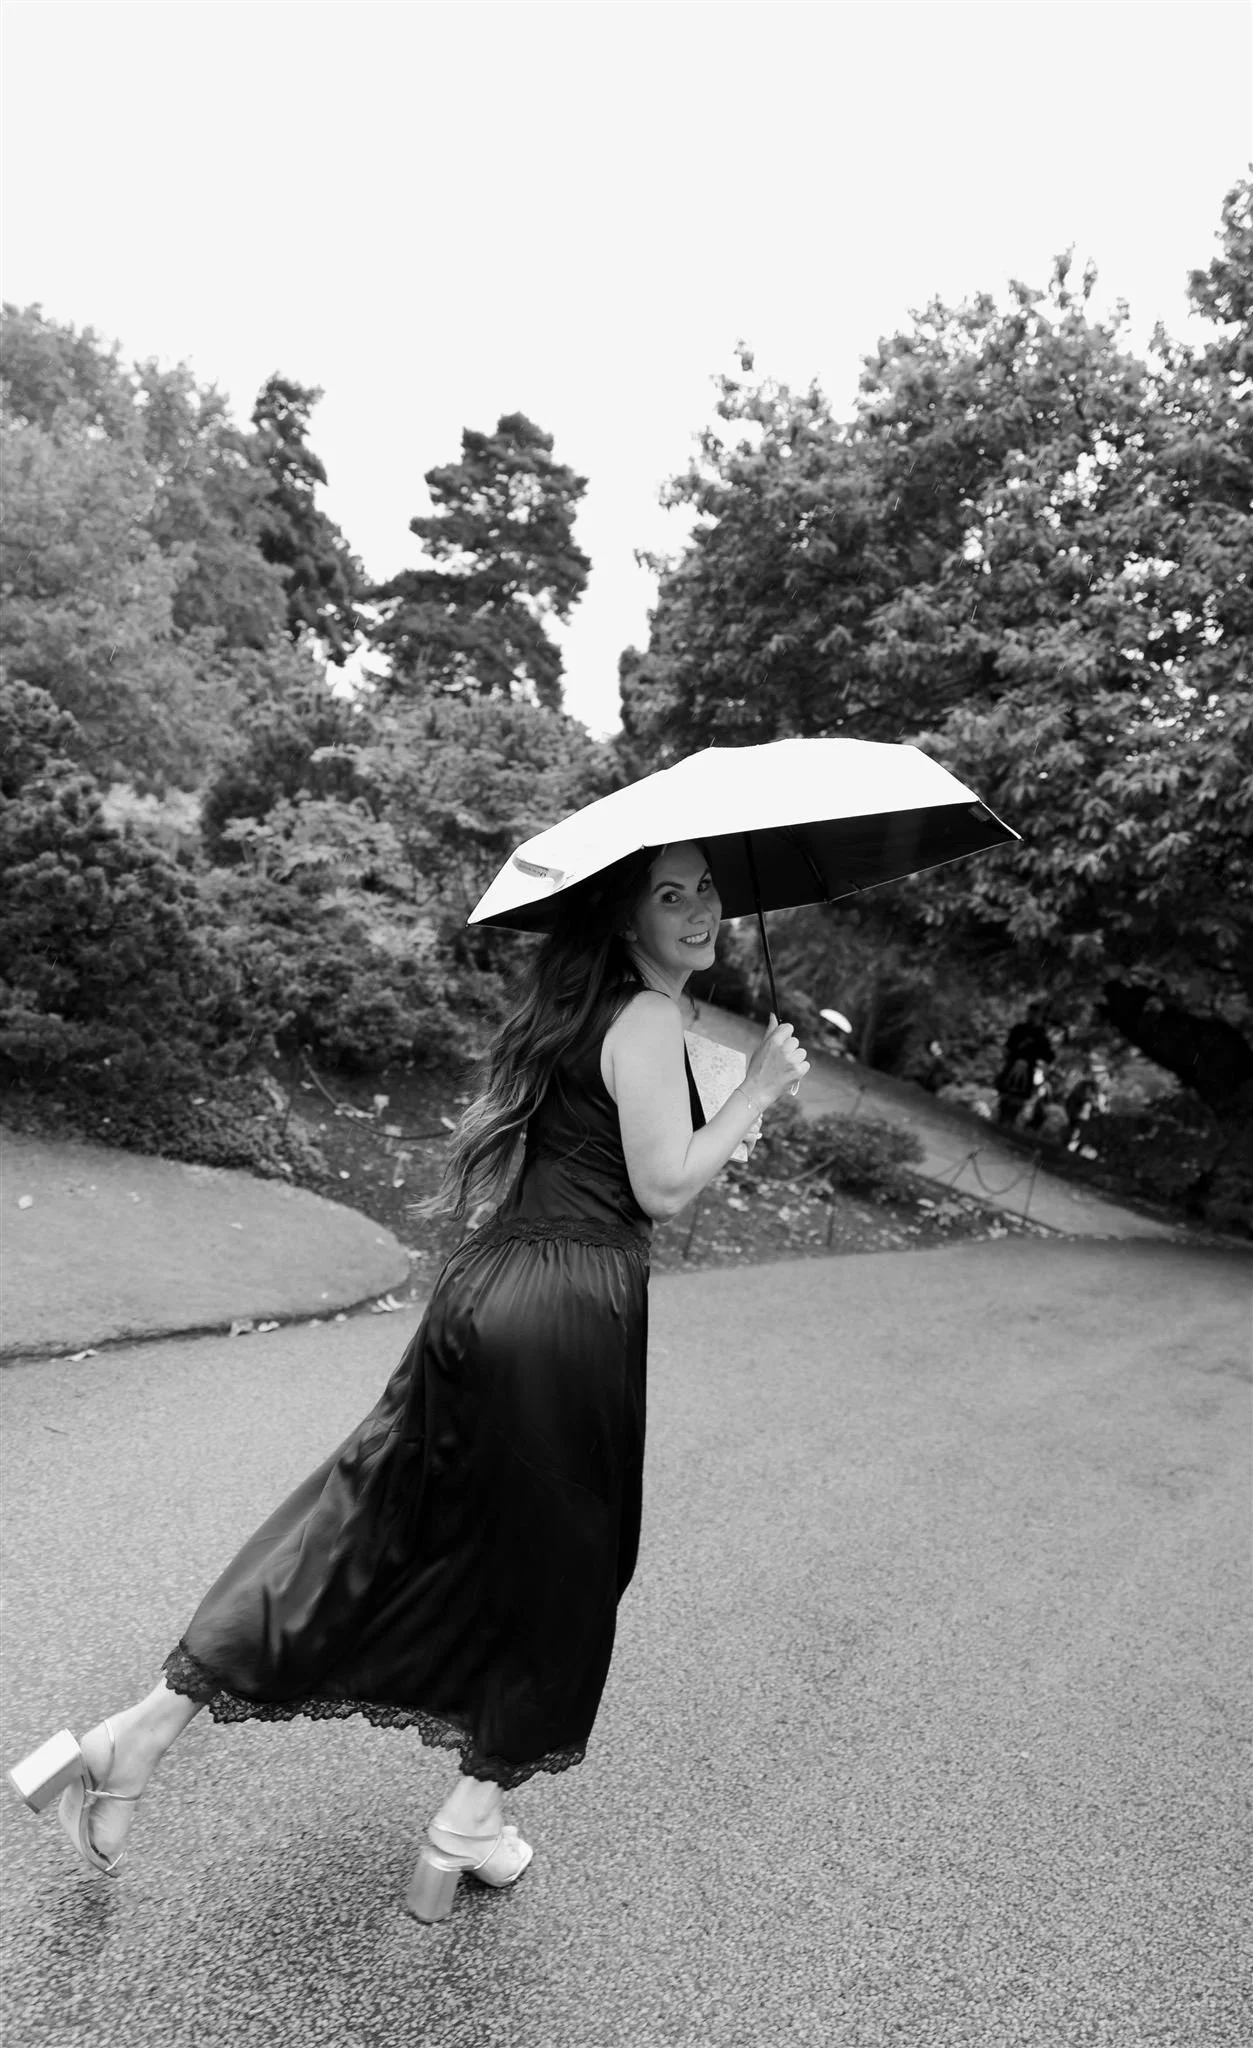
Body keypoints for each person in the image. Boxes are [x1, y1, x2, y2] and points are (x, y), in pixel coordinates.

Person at [7, 840, 808, 1922]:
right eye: (669, 892)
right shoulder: (650, 1018)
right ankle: (472, 1813)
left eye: (707, 885)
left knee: (363, 1518)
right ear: (625, 916)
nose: (700, 907)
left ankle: (128, 1737)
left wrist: (719, 1110)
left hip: (483, 1296)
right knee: (568, 1565)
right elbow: (661, 1188)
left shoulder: (580, 1012)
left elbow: (616, 1155)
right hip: (568, 1311)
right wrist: (755, 1089)